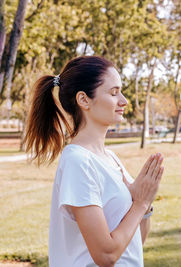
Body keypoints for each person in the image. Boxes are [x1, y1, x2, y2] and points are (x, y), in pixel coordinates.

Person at [23, 56, 164, 267]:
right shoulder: (78, 162)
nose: (124, 101)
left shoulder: (110, 158)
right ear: (84, 100)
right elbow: (105, 255)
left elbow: (133, 244)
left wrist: (145, 205)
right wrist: (139, 204)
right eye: (113, 93)